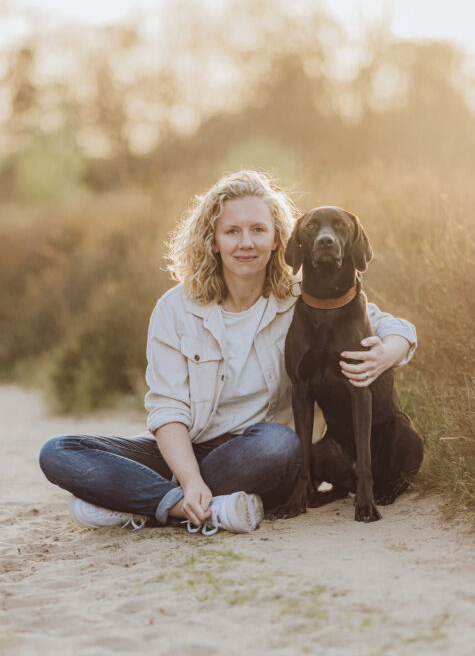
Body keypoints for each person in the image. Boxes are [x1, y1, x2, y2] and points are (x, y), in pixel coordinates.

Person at [38, 169, 417, 535]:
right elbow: (167, 409)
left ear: (276, 240)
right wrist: (187, 478)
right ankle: (188, 505)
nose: (245, 243)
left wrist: (388, 353)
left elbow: (386, 324)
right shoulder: (175, 309)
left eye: (258, 230)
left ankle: (131, 500)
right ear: (213, 239)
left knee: (279, 443)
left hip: (254, 454)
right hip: (186, 450)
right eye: (232, 231)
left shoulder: (299, 300)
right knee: (60, 451)